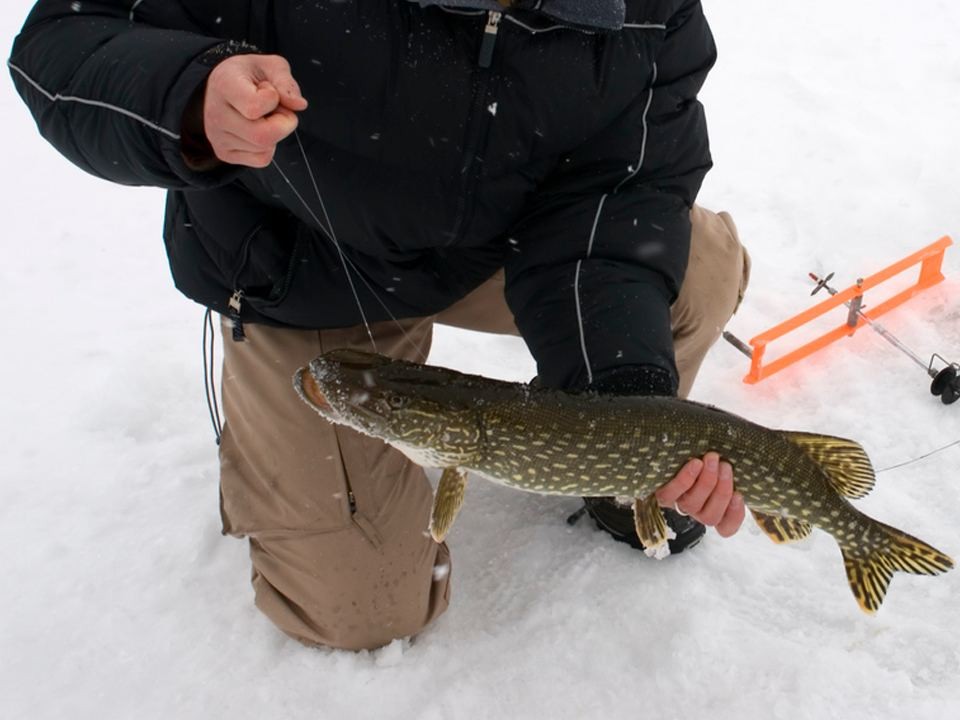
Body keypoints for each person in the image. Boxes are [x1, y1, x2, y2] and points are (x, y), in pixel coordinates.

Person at [10, 0, 751, 650]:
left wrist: (619, 415)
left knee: (698, 269)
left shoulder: (649, 7)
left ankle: (632, 482)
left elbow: (615, 199)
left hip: (508, 245)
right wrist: (187, 95)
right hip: (312, 265)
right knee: (360, 611)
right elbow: (65, 37)